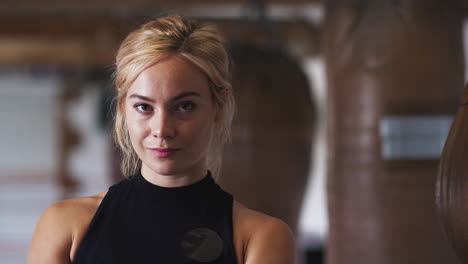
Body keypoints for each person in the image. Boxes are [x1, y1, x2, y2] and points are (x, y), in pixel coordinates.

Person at [28, 14, 295, 264]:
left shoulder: (258, 236)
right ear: (123, 107)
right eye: (144, 107)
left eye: (184, 106)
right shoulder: (64, 225)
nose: (162, 129)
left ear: (219, 104)